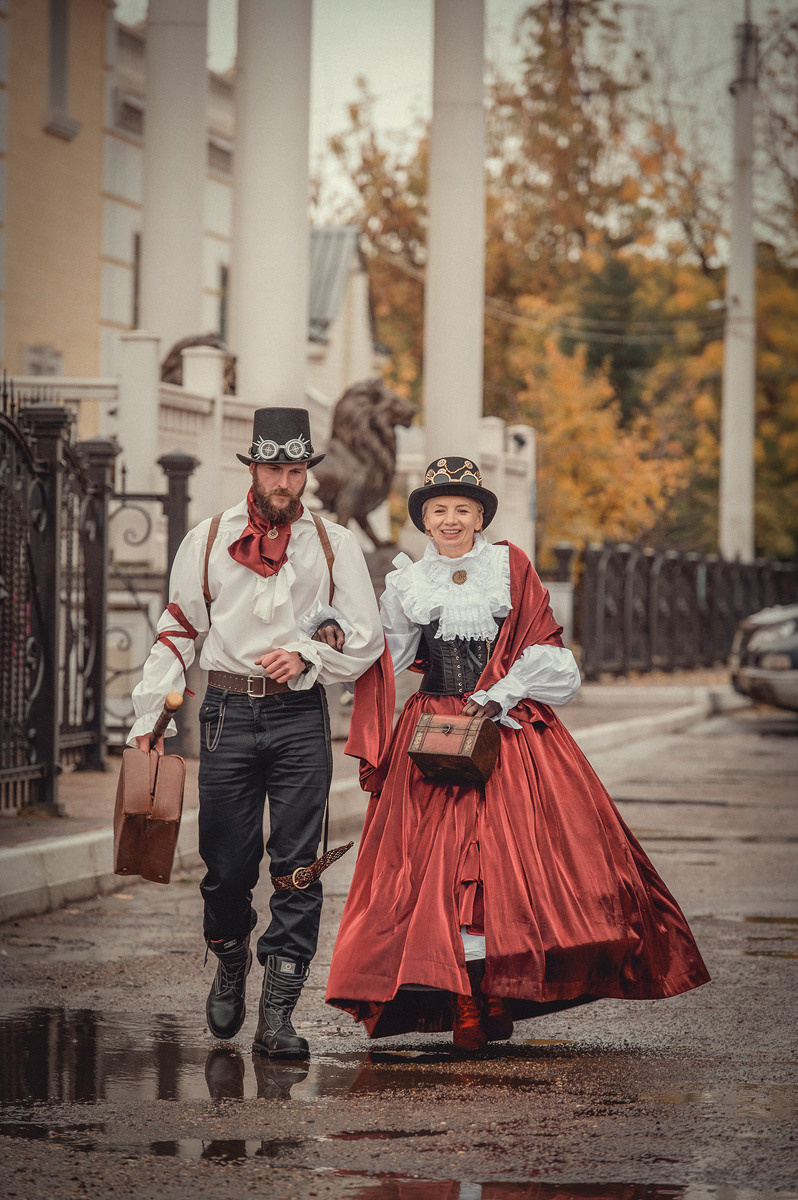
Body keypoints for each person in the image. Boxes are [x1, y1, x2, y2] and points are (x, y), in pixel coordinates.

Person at [325, 456, 710, 1049]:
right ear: (424, 522)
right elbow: (383, 651)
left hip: (503, 727)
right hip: (432, 732)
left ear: (480, 516)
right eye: (438, 511)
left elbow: (548, 650)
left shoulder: (511, 566)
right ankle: (463, 1002)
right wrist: (328, 636)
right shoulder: (407, 581)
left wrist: (498, 694)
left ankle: (499, 986)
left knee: (512, 867)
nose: (451, 520)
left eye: (462, 509)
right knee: (436, 873)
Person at [128, 407, 383, 1059]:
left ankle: (277, 1013)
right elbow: (180, 626)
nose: (286, 483)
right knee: (225, 867)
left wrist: (308, 657)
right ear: (254, 468)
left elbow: (365, 635)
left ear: (306, 474)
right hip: (226, 715)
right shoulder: (209, 538)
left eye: (296, 470)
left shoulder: (334, 545)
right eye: (274, 468)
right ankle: (231, 952)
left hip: (300, 717)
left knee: (297, 868)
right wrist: (151, 717)